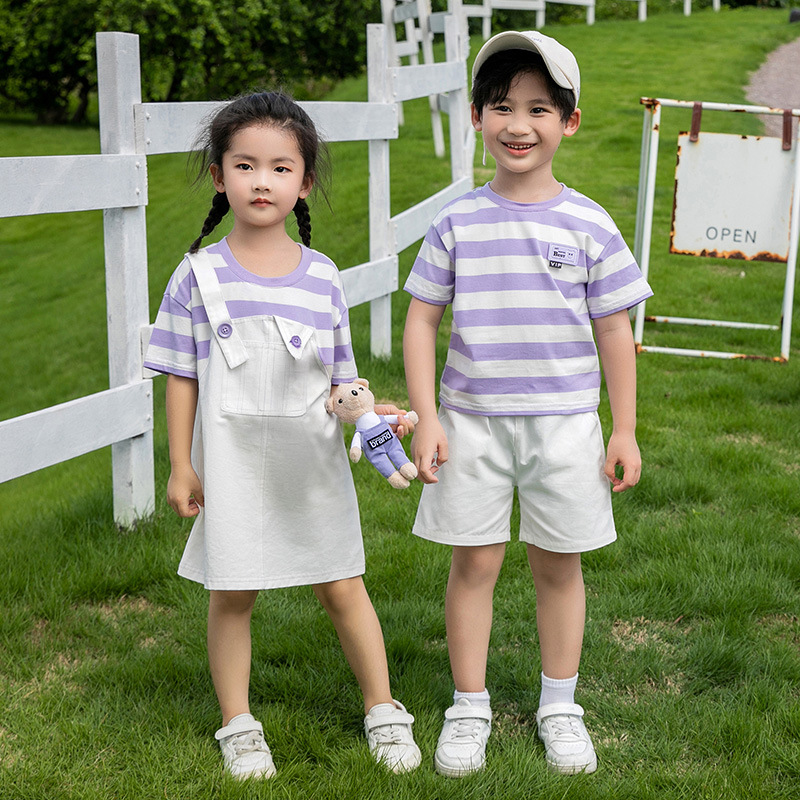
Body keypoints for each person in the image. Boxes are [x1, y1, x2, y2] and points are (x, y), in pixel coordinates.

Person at [144, 91, 420, 780]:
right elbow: (180, 377)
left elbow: (343, 383)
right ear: (219, 177)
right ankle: (238, 724)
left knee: (342, 583)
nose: (261, 181)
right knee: (232, 590)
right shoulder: (196, 275)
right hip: (230, 462)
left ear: (305, 181)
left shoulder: (322, 277)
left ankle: (383, 708)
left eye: (279, 168)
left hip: (311, 460)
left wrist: (375, 416)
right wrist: (180, 464)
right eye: (244, 166)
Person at [403, 31, 652, 777]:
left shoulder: (591, 224)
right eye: (502, 107)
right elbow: (421, 321)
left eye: (539, 109)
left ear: (569, 121)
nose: (519, 125)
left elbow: (615, 329)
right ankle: (468, 706)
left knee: (558, 565)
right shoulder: (456, 222)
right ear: (476, 116)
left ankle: (560, 706)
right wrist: (428, 417)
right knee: (474, 563)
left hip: (567, 425)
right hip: (470, 425)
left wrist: (624, 429)